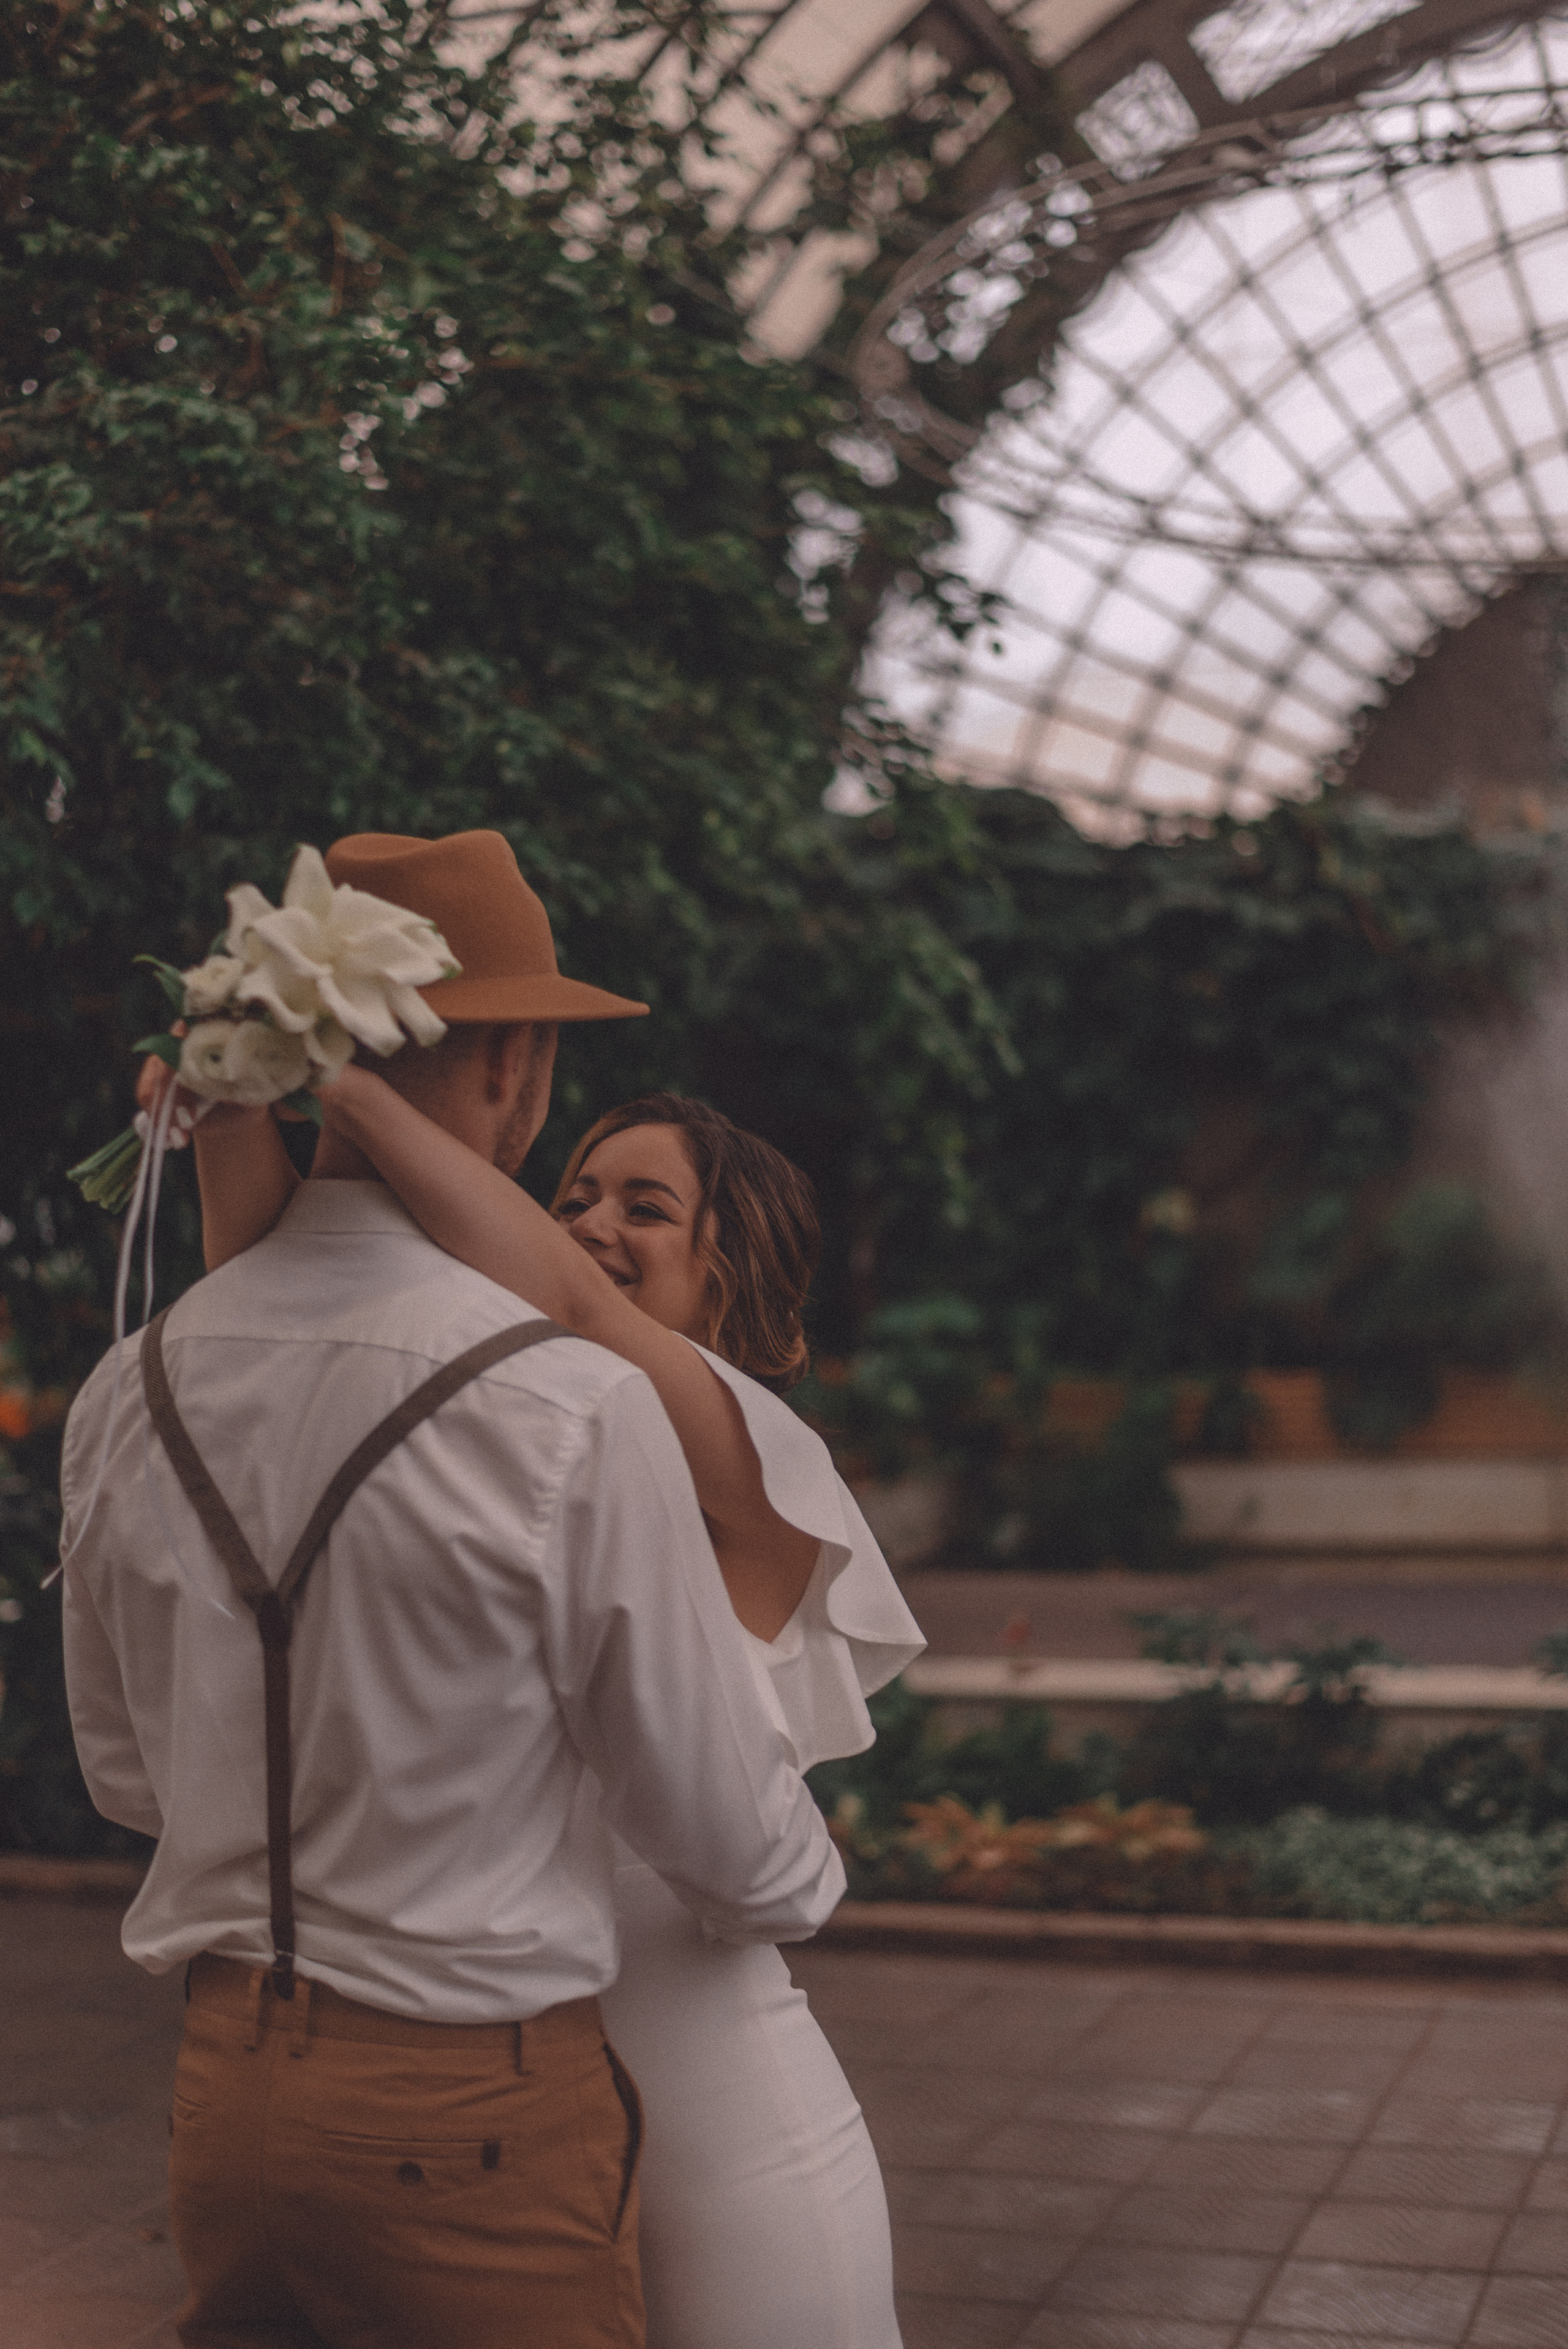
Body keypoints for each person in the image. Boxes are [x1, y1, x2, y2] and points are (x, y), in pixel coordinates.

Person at [61, 830, 846, 2349]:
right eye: (576, 1188)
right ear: (516, 1067)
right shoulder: (550, 1408)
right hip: (491, 2098)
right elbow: (755, 1871)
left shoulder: (135, 1384)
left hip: (279, 2098)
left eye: (650, 1211)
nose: (591, 1232)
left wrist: (304, 1088)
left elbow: (130, 1773)